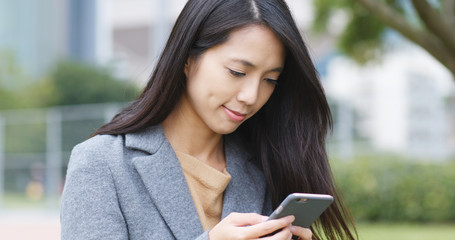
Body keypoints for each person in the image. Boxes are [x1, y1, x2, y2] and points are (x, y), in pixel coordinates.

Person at [60, 0, 357, 239]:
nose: (251, 96)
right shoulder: (101, 164)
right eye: (237, 72)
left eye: (270, 80)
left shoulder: (268, 164)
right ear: (188, 59)